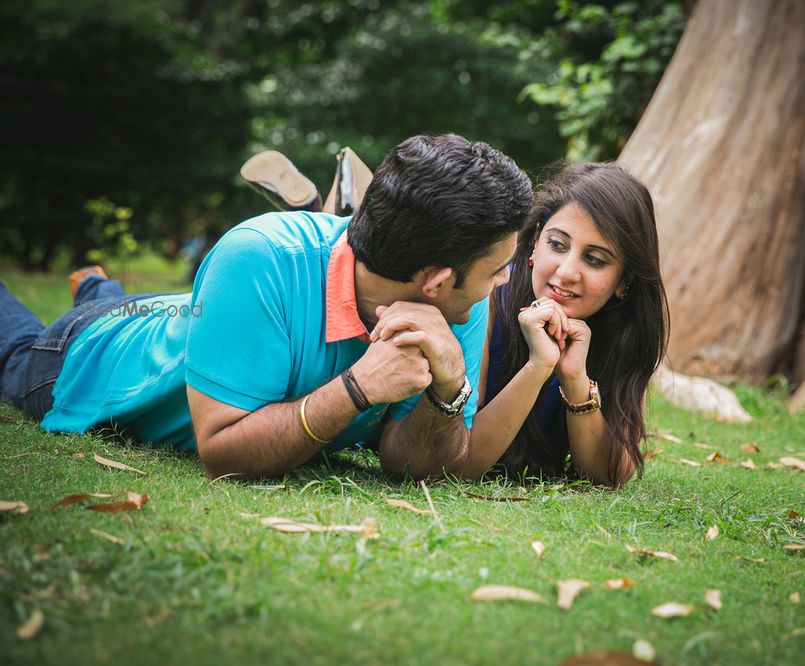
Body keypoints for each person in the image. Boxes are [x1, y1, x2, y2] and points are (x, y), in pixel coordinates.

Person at [0, 134, 533, 481]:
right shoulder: (259, 255)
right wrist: (358, 388)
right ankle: (97, 295)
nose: (506, 280)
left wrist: (446, 392)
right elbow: (223, 456)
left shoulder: (457, 305)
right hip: (86, 358)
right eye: (497, 270)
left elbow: (413, 467)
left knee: (135, 303)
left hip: (195, 317)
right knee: (21, 342)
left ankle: (97, 285)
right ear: (436, 281)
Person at [244, 155, 668, 488]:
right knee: (368, 251)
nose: (566, 272)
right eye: (557, 244)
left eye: (595, 260)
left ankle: (333, 208)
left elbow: (610, 475)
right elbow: (463, 459)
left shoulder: (623, 330)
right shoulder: (483, 296)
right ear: (533, 243)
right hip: (386, 428)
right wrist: (538, 368)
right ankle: (336, 213)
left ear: (623, 282)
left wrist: (574, 379)